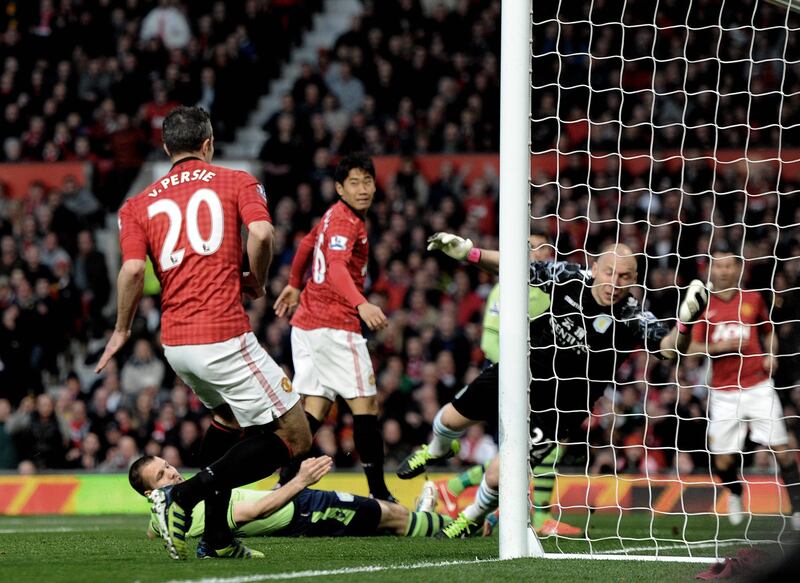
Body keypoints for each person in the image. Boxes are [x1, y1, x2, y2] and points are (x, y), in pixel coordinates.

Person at [95, 106, 312, 560]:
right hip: (223, 335)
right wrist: (256, 278)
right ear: (209, 143)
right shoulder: (237, 181)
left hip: (176, 345)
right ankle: (184, 497)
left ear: (166, 148)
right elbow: (262, 233)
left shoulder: (136, 205)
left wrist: (121, 329)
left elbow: (133, 270)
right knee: (295, 436)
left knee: (229, 422)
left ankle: (215, 539)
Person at [397, 232, 709, 538]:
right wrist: (469, 253)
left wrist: (684, 324)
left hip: (561, 407)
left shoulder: (631, 315)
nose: (614, 282)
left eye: (624, 276)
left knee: (499, 472)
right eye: (609, 272)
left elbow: (669, 348)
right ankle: (437, 449)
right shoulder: (569, 277)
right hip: (522, 371)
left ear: (634, 280)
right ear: (594, 267)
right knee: (448, 419)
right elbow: (516, 268)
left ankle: (470, 519)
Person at [439, 231, 582, 536]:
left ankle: (460, 492)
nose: (537, 253)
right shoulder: (506, 287)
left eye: (543, 249)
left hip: (545, 380)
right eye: (530, 247)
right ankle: (534, 515)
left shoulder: (552, 290)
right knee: (534, 447)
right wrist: (514, 372)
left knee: (534, 447)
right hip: (512, 379)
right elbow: (491, 339)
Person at [273, 153, 395, 501]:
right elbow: (339, 267)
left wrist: (296, 284)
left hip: (307, 326)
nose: (363, 189)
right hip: (335, 327)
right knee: (365, 407)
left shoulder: (332, 215)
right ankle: (380, 494)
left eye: (367, 181)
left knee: (314, 408)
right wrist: (362, 303)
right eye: (354, 183)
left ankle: (283, 484)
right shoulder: (346, 222)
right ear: (339, 187)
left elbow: (306, 244)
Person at [688, 248, 800, 530]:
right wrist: (718, 347)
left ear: (738, 269)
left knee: (783, 450)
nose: (724, 271)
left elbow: (768, 331)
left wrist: (771, 353)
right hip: (723, 393)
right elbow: (690, 349)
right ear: (711, 271)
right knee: (723, 462)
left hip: (758, 386)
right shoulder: (703, 305)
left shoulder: (753, 299)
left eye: (729, 266)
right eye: (719, 266)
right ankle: (736, 491)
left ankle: (797, 509)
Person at [128, 455, 450, 551]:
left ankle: (426, 516)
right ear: (150, 493)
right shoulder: (195, 510)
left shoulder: (166, 516)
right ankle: (458, 527)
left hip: (300, 505)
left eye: (167, 465)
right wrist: (301, 481)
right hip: (306, 509)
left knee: (383, 518)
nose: (173, 473)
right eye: (162, 475)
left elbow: (153, 532)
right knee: (391, 515)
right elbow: (255, 512)